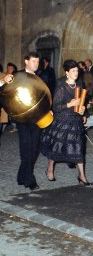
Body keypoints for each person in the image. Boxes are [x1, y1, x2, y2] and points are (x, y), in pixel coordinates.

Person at [40, 59, 92, 187]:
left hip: (75, 121)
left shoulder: (79, 87)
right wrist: (70, 104)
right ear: (67, 73)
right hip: (62, 121)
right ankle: (50, 169)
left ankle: (82, 176)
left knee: (79, 148)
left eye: (77, 71)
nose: (76, 73)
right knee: (56, 148)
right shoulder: (62, 87)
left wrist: (83, 112)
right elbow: (56, 107)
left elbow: (82, 104)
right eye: (73, 71)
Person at [15, 52, 41, 190]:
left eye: (37, 62)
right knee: (27, 149)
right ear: (26, 62)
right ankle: (30, 181)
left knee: (35, 149)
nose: (36, 64)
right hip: (23, 118)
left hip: (36, 119)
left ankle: (21, 176)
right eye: (34, 62)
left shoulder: (38, 77)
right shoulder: (17, 76)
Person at [6, 62, 18, 133]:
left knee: (14, 113)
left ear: (13, 69)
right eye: (8, 68)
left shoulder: (14, 76)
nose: (8, 70)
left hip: (14, 98)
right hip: (8, 97)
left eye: (10, 68)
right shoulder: (6, 76)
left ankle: (15, 126)